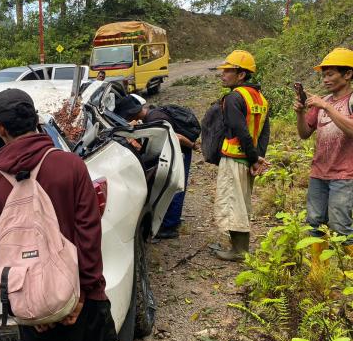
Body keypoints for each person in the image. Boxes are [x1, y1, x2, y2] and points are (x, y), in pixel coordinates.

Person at [0, 89, 119, 341]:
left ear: (0, 129)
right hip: (83, 299)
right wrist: (82, 295)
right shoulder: (69, 165)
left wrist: (27, 303)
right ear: (36, 121)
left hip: (31, 307)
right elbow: (88, 234)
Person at [212, 50, 270, 261]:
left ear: (241, 75)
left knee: (232, 201)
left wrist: (254, 159)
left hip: (235, 158)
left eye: (228, 70)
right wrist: (257, 158)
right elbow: (264, 132)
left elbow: (240, 131)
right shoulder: (261, 98)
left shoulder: (234, 98)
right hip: (248, 159)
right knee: (242, 201)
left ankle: (239, 251)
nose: (223, 74)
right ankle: (240, 247)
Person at [115, 96, 198, 239]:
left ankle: (169, 227)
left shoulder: (155, 118)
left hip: (181, 151)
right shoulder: (151, 114)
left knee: (175, 186)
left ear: (131, 113)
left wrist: (193, 145)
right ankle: (172, 219)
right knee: (173, 185)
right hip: (178, 150)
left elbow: (176, 137)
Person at [294, 47, 353, 240]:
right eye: (323, 76)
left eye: (330, 74)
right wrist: (300, 113)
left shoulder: (349, 100)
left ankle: (347, 270)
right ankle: (318, 271)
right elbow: (304, 134)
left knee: (341, 227)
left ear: (348, 74)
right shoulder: (323, 101)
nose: (325, 79)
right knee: (314, 225)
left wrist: (327, 107)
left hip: (345, 175)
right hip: (319, 173)